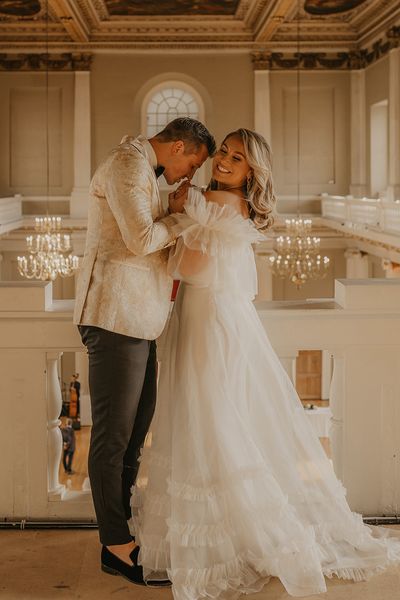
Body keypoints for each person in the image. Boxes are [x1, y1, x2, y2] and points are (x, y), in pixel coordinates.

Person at [132, 129, 400, 599]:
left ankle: (237, 535)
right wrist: (184, 215)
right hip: (210, 318)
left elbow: (191, 269)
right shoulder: (218, 200)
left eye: (238, 157)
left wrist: (175, 220)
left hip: (207, 320)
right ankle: (233, 526)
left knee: (210, 421)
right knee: (218, 418)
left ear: (252, 170)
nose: (225, 161)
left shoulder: (218, 203)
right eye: (223, 152)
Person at [73, 118, 216, 586]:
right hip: (114, 314)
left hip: (139, 319)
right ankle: (115, 544)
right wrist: (183, 216)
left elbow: (143, 228)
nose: (187, 177)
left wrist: (169, 205)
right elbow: (140, 240)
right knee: (113, 437)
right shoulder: (127, 166)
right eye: (190, 164)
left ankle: (127, 529)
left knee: (135, 433)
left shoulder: (145, 172)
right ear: (177, 146)